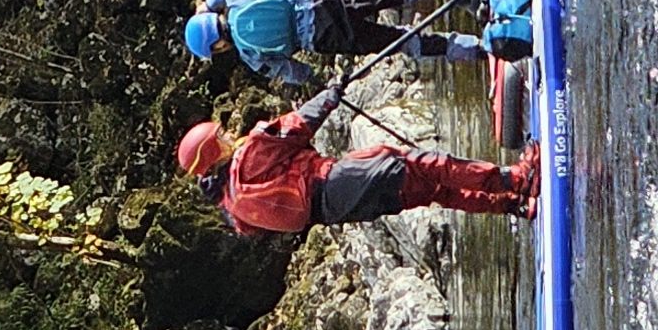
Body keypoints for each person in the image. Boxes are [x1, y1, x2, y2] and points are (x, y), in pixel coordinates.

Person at [177, 92, 534, 233]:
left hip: (335, 211)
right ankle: (513, 179)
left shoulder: (233, 209)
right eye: (219, 137)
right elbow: (297, 125)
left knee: (426, 190)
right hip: (332, 182)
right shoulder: (248, 157)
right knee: (420, 165)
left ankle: (510, 207)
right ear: (214, 153)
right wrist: (330, 95)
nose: (226, 136)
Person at [185, 0, 493, 89]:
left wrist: (315, 79)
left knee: (401, 41)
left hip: (329, 39)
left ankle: (476, 49)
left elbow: (296, 72)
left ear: (218, 44)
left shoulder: (251, 57)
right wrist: (209, 2)